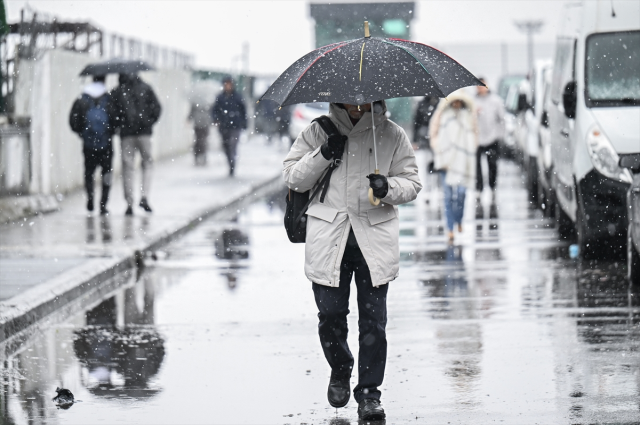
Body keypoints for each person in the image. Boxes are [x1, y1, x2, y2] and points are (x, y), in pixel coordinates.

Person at [283, 101, 421, 421]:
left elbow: (412, 182)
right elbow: (293, 177)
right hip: (329, 238)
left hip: (374, 239)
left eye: (365, 96)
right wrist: (324, 154)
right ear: (338, 96)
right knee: (330, 314)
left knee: (374, 322)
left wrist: (388, 188)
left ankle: (370, 393)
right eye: (350, 95)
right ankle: (341, 368)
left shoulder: (390, 134)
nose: (357, 102)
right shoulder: (318, 131)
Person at [109, 73, 161, 215]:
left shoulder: (117, 91)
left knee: (128, 167)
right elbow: (157, 109)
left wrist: (120, 125)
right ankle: (144, 196)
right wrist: (148, 122)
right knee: (148, 164)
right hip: (144, 134)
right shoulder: (146, 88)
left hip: (126, 135)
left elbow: (111, 113)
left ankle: (129, 202)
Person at [430, 91, 478, 242]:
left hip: (463, 161)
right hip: (446, 161)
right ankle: (450, 228)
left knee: (462, 193)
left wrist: (470, 150)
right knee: (449, 196)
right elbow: (434, 132)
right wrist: (439, 148)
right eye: (454, 101)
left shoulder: (468, 116)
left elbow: (474, 133)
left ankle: (459, 219)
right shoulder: (442, 114)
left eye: (459, 101)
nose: (456, 104)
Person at [69, 74, 114, 215]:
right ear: (104, 80)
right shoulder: (108, 99)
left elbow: (72, 121)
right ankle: (103, 205)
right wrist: (110, 132)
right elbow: (116, 120)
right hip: (106, 144)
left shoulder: (82, 99)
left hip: (88, 144)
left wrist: (82, 133)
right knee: (106, 173)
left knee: (89, 173)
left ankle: (90, 197)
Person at [474, 78, 505, 202]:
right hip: (477, 139)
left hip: (492, 138)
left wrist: (501, 135)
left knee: (492, 165)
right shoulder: (473, 101)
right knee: (477, 166)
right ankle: (479, 188)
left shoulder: (496, 101)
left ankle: (492, 187)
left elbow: (502, 119)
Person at [211, 76, 247, 176]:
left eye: (229, 84)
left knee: (233, 144)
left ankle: (232, 162)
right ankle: (230, 162)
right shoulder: (220, 97)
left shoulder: (237, 97)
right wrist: (216, 119)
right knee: (226, 146)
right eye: (226, 84)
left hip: (235, 126)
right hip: (224, 126)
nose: (227, 86)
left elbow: (243, 110)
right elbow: (214, 110)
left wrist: (244, 123)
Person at [188, 101, 212, 166]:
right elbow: (192, 111)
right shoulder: (197, 101)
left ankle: (202, 155)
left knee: (202, 140)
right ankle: (199, 155)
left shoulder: (208, 100)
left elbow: (212, 111)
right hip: (199, 124)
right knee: (199, 141)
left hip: (204, 124)